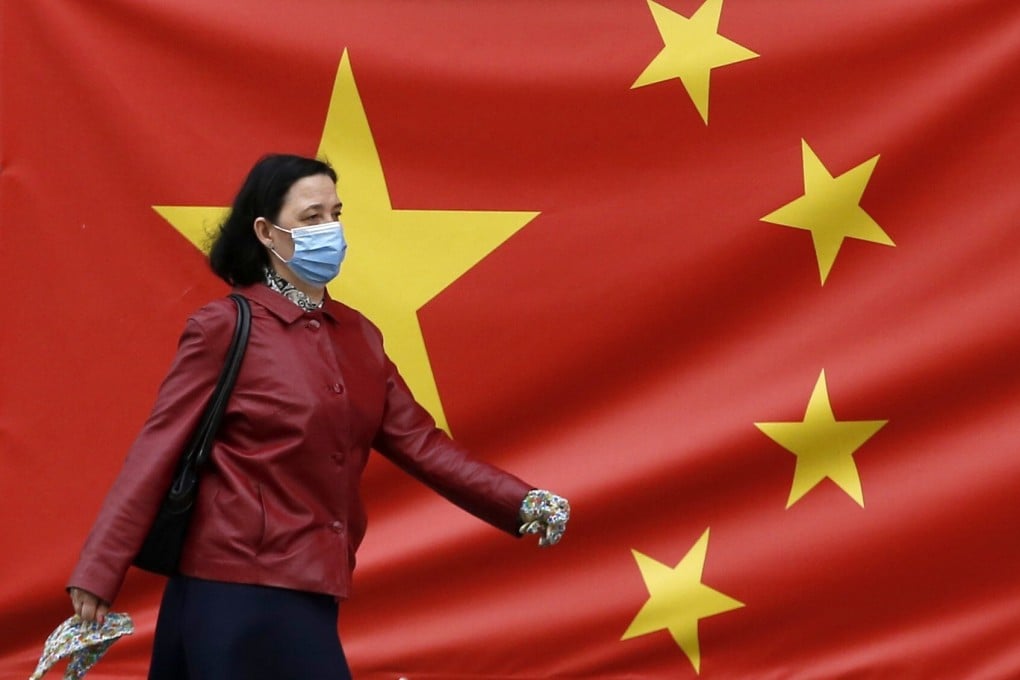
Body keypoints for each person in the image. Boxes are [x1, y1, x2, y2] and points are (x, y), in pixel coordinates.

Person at [67, 153, 569, 679]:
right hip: (232, 588)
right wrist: (99, 572)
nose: (330, 229)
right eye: (311, 217)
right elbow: (156, 450)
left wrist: (521, 501)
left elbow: (423, 444)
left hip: (313, 585)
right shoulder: (224, 327)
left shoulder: (359, 336)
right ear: (266, 232)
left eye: (335, 214)